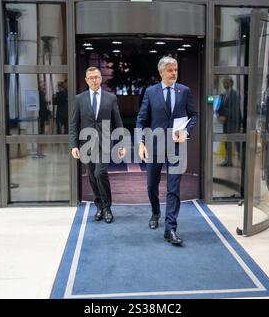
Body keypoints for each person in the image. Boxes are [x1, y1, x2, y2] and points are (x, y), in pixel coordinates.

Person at [136, 56, 197, 245]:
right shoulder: (150, 92)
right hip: (155, 146)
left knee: (173, 188)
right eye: (170, 70)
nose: (174, 73)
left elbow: (193, 115)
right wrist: (141, 143)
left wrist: (186, 130)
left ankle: (170, 228)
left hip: (176, 147)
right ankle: (155, 212)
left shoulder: (184, 91)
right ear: (161, 72)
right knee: (151, 185)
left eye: (176, 70)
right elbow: (141, 120)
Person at [70, 67, 126, 223]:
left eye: (96, 77)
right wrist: (74, 145)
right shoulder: (79, 99)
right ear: (86, 80)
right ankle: (99, 207)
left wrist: (121, 143)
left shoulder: (111, 98)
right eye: (91, 78)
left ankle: (107, 207)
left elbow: (118, 121)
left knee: (99, 173)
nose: (94, 80)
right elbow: (74, 124)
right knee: (92, 177)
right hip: (86, 144)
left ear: (101, 79)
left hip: (105, 143)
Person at [217, 77, 241, 167]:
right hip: (226, 123)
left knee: (235, 140)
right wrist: (220, 115)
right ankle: (228, 160)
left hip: (233, 121)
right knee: (227, 141)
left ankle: (240, 158)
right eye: (223, 82)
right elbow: (220, 107)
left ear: (231, 83)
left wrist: (225, 116)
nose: (224, 84)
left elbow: (234, 109)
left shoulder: (235, 94)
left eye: (225, 82)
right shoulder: (223, 94)